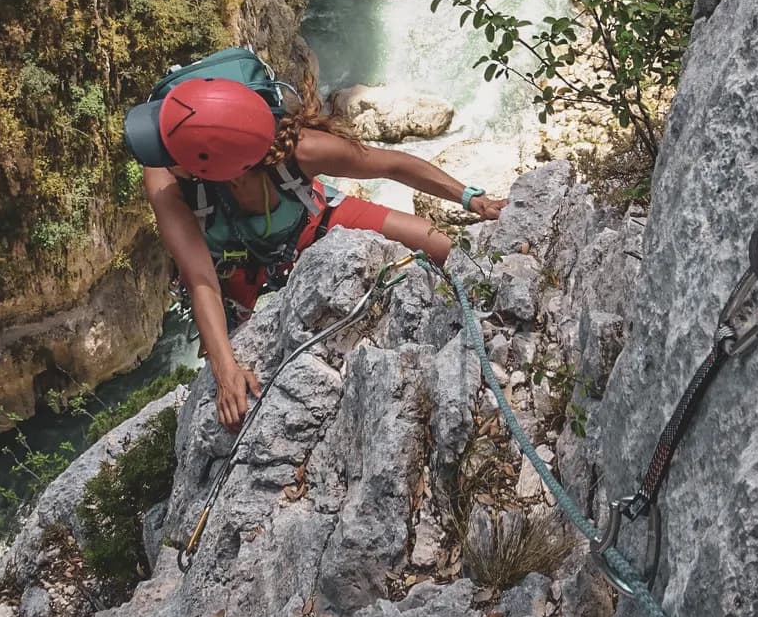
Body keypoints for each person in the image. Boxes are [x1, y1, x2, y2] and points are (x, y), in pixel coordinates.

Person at [124, 73, 505, 430]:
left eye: (173, 149)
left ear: (214, 166)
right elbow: (199, 275)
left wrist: (472, 200)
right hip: (232, 271)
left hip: (312, 223)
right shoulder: (164, 179)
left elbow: (392, 164)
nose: (163, 155)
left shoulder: (299, 149)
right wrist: (226, 372)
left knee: (443, 245)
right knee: (231, 360)